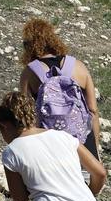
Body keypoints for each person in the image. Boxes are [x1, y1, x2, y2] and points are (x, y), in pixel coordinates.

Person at [19, 18, 100, 157]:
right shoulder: (79, 66)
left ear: (30, 45)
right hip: (84, 145)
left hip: (51, 148)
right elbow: (93, 111)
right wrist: (95, 149)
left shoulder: (29, 72)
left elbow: (27, 116)